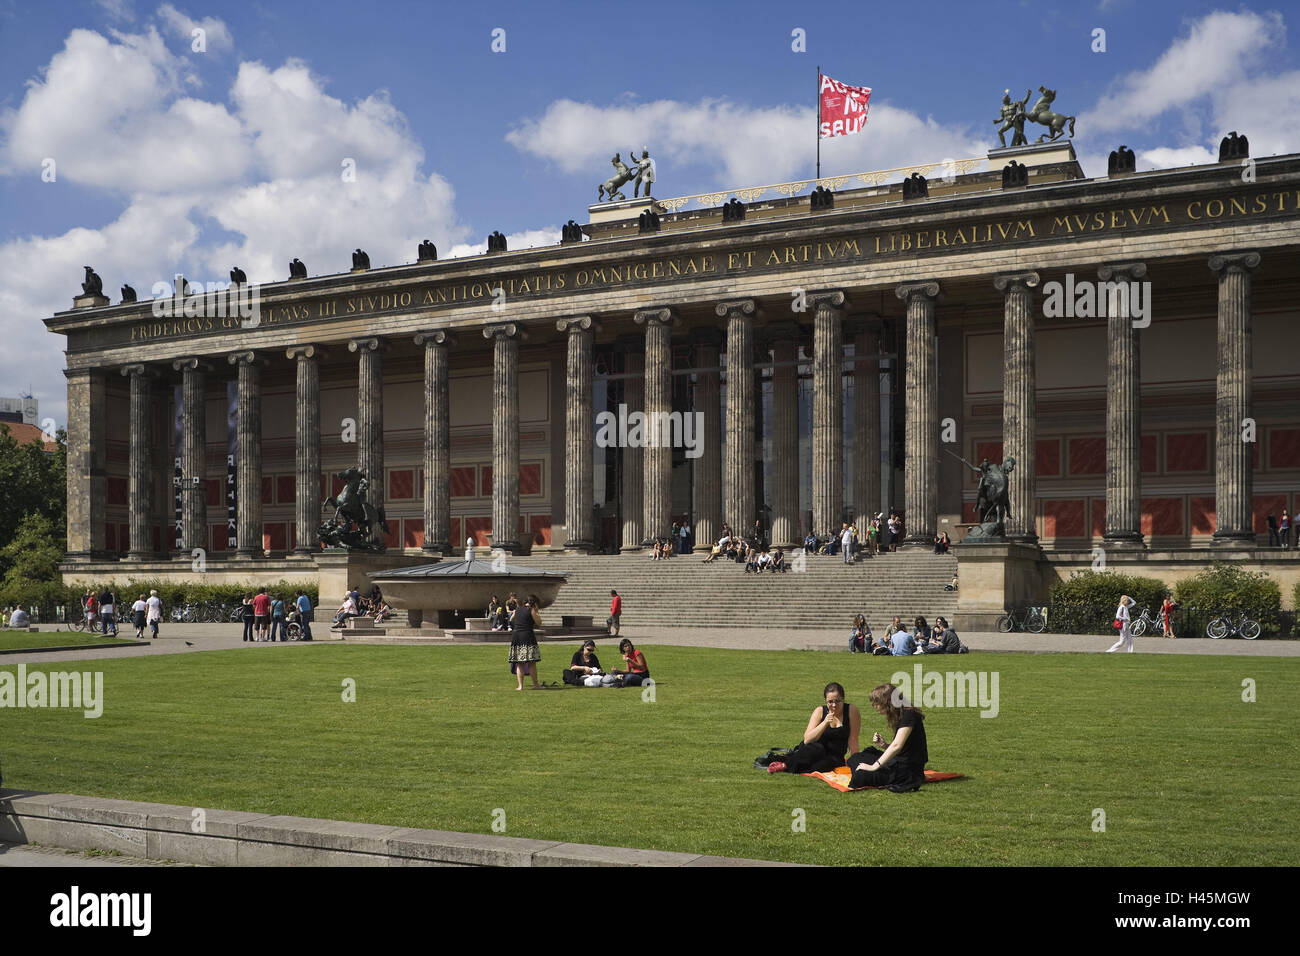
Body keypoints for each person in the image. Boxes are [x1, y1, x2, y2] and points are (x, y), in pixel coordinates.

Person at [846, 683, 928, 791]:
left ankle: (909, 780)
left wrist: (873, 767)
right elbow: (904, 748)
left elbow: (897, 746)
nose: (874, 706)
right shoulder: (903, 714)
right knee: (856, 757)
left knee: (859, 777)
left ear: (887, 702)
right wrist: (884, 745)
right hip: (898, 762)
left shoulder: (909, 715)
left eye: (876, 703)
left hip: (908, 770)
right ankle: (863, 769)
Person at [767, 682, 862, 775]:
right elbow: (807, 739)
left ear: (843, 699)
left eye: (837, 701)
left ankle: (792, 765)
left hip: (834, 756)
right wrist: (825, 723)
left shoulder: (851, 711)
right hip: (814, 749)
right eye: (830, 702)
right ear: (825, 701)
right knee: (817, 749)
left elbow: (853, 739)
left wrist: (854, 763)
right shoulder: (820, 711)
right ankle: (785, 765)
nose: (834, 705)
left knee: (824, 765)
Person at [508, 596, 542, 690]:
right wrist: (536, 611)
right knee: (532, 662)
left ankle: (520, 686)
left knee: (520, 663)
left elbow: (511, 619)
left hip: (516, 636)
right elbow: (539, 622)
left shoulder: (517, 609)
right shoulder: (531, 610)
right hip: (527, 636)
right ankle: (536, 685)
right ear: (534, 603)